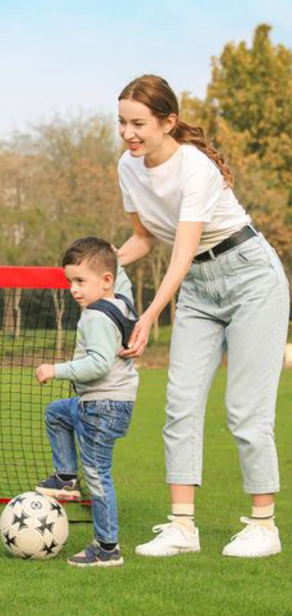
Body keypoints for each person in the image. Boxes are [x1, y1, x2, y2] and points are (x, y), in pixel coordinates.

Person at [116, 74, 289, 559]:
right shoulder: (127, 169)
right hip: (198, 288)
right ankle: (182, 527)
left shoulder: (195, 168)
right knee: (180, 403)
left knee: (245, 410)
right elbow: (146, 238)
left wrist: (149, 315)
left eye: (138, 123)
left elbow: (181, 253)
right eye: (122, 123)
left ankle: (264, 526)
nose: (128, 133)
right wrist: (103, 262)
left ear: (168, 122)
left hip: (250, 276)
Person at [35, 237, 138, 568]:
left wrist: (56, 369)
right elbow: (121, 276)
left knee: (97, 475)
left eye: (81, 281)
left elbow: (98, 364)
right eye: (70, 282)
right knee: (57, 413)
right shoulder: (121, 301)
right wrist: (110, 253)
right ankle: (66, 477)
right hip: (107, 404)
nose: (74, 290)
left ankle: (107, 547)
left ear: (105, 281)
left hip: (101, 407)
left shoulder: (94, 316)